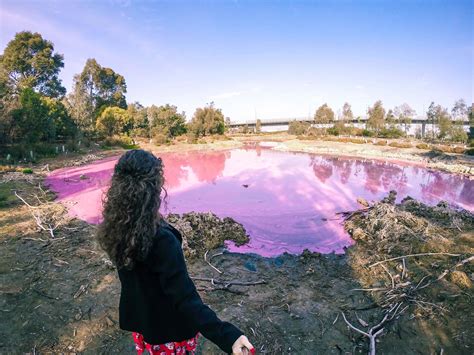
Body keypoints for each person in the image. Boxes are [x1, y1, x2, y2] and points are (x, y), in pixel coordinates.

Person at [97, 149, 254, 355]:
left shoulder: (117, 225)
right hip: (168, 331)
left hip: (144, 322)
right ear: (155, 186)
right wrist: (229, 337)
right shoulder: (161, 240)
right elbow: (184, 299)